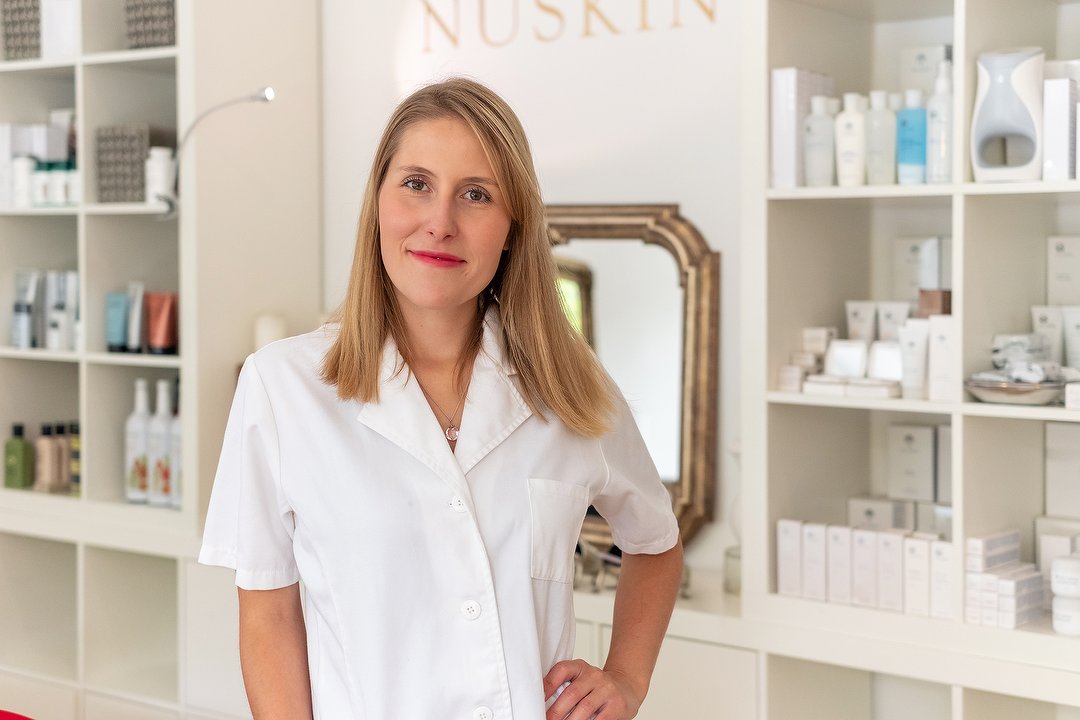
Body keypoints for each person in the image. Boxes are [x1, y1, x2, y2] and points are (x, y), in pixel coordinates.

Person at [199, 77, 684, 720]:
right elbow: (268, 613)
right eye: (416, 184)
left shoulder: (570, 388)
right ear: (378, 203)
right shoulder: (283, 387)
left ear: (512, 229)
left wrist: (626, 677)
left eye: (476, 194)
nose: (440, 223)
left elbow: (656, 543)